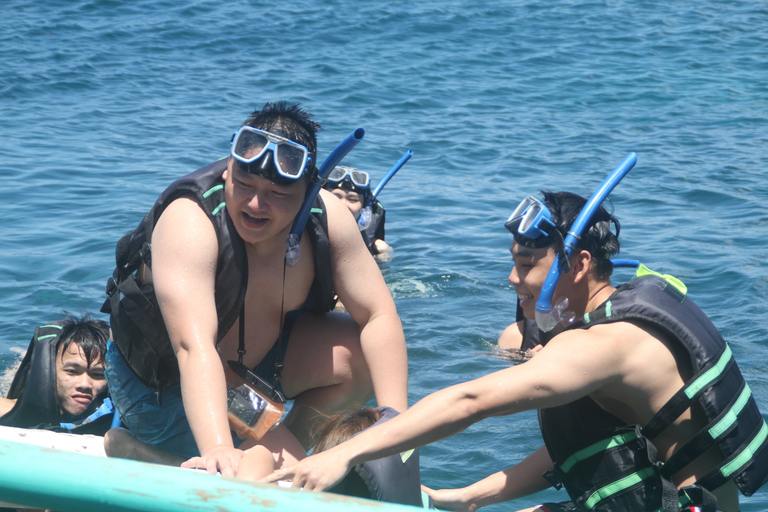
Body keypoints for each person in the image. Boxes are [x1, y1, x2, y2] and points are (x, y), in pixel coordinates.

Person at [265, 190, 768, 512]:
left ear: (579, 264)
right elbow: (585, 445)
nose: (512, 279)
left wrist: (347, 452)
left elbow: (469, 402)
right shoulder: (631, 304)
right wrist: (465, 497)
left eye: (527, 264)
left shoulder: (599, 345)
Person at [100, 101, 408, 478]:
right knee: (233, 465)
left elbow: (379, 316)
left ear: (310, 189)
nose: (256, 204)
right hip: (162, 385)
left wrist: (396, 425)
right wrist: (217, 447)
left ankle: (276, 454)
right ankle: (162, 455)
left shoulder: (327, 217)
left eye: (278, 194)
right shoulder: (190, 222)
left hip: (251, 375)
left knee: (357, 350)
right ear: (228, 170)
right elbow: (191, 347)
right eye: (244, 185)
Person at [0, 312, 113, 435]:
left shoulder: (117, 419)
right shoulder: (7, 410)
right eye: (72, 371)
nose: (84, 384)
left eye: (97, 374)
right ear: (50, 369)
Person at [323, 165, 392, 259]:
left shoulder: (374, 245)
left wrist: (382, 257)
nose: (343, 205)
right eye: (336, 197)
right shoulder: (304, 228)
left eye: (352, 200)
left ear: (364, 207)